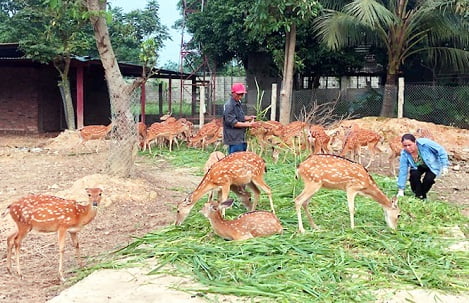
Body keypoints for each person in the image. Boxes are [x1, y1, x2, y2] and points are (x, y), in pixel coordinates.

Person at [397, 133, 449, 200]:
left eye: (409, 145)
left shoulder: (425, 144)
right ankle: (419, 195)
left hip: (432, 165)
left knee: (428, 180)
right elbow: (403, 171)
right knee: (414, 176)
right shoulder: (404, 154)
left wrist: (445, 165)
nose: (407, 148)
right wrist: (401, 189)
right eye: (405, 146)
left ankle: (421, 195)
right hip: (418, 165)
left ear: (415, 142)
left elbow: (441, 151)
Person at [223, 83, 259, 154]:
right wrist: (249, 125)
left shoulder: (237, 103)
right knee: (235, 160)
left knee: (241, 158)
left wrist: (249, 118)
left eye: (242, 94)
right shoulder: (229, 106)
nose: (240, 97)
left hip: (240, 137)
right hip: (234, 138)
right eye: (238, 94)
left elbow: (239, 117)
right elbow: (234, 123)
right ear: (233, 93)